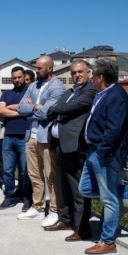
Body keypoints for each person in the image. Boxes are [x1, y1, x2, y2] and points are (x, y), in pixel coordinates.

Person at [80, 59, 128, 255]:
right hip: (93, 151)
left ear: (100, 77)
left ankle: (108, 241)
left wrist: (102, 152)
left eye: (92, 75)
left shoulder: (116, 96)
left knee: (109, 199)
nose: (91, 79)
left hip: (105, 154)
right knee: (85, 188)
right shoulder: (101, 94)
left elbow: (114, 129)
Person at [45, 60, 97, 241]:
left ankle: (82, 228)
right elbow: (51, 109)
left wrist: (59, 109)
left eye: (80, 72)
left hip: (75, 146)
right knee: (62, 185)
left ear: (89, 73)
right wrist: (59, 109)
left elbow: (69, 107)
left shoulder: (90, 91)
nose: (77, 75)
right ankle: (65, 219)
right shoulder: (69, 92)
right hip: (60, 145)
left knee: (78, 188)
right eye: (74, 73)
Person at [16, 56, 66, 226]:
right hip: (31, 135)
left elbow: (48, 112)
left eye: (39, 68)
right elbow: (20, 108)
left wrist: (36, 110)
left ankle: (54, 210)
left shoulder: (58, 87)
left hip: (46, 137)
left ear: (50, 68)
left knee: (51, 174)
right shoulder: (32, 86)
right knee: (34, 174)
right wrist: (35, 107)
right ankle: (37, 206)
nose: (36, 71)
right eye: (36, 68)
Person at [0, 66, 30, 210]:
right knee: (8, 170)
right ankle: (9, 197)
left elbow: (31, 109)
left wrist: (11, 108)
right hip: (9, 136)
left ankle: (26, 197)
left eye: (19, 77)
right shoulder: (6, 94)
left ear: (24, 77)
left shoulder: (30, 92)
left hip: (25, 137)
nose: (17, 80)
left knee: (25, 171)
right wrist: (21, 111)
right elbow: (0, 110)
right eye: (14, 78)